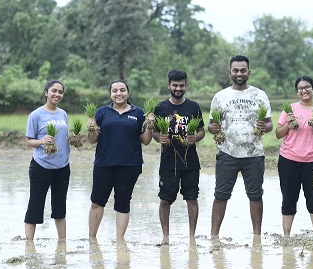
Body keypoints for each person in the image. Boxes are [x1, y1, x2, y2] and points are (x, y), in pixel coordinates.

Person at [207, 55, 272, 237]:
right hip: (227, 153)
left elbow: (269, 124)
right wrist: (212, 128)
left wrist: (263, 127)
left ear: (249, 72)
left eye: (243, 70)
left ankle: (257, 236)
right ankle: (214, 235)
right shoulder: (220, 96)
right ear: (230, 72)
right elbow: (212, 125)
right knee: (220, 194)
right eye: (235, 70)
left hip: (254, 154)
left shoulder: (259, 95)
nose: (239, 73)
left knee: (255, 195)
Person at [87, 79, 154, 239]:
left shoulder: (138, 113)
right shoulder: (102, 112)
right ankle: (92, 239)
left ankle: (120, 241)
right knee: (97, 202)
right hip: (104, 164)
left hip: (130, 165)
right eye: (115, 90)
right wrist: (91, 128)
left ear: (128, 93)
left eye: (122, 90)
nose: (119, 93)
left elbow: (146, 141)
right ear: (110, 94)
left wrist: (150, 125)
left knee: (123, 203)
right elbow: (92, 140)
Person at [275, 76, 313, 237]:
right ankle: (286, 236)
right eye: (300, 88)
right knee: (288, 197)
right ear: (297, 92)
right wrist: (289, 122)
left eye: (307, 87)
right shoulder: (290, 109)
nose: (304, 90)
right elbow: (278, 134)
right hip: (289, 160)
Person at [153, 69, 205, 244]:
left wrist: (194, 138)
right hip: (168, 162)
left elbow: (201, 131)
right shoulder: (160, 108)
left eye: (181, 85)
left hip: (190, 162)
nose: (178, 88)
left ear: (186, 86)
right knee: (165, 199)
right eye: (175, 85)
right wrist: (158, 137)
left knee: (192, 198)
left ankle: (192, 237)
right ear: (169, 85)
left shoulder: (193, 107)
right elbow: (153, 131)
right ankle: (166, 236)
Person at [24, 80, 75, 240]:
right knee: (35, 205)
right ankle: (29, 245)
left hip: (62, 167)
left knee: (60, 206)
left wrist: (73, 139)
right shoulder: (36, 115)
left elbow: (63, 138)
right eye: (54, 90)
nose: (57, 94)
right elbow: (29, 141)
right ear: (46, 92)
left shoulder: (63, 114)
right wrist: (41, 141)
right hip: (41, 166)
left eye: (60, 92)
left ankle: (62, 243)